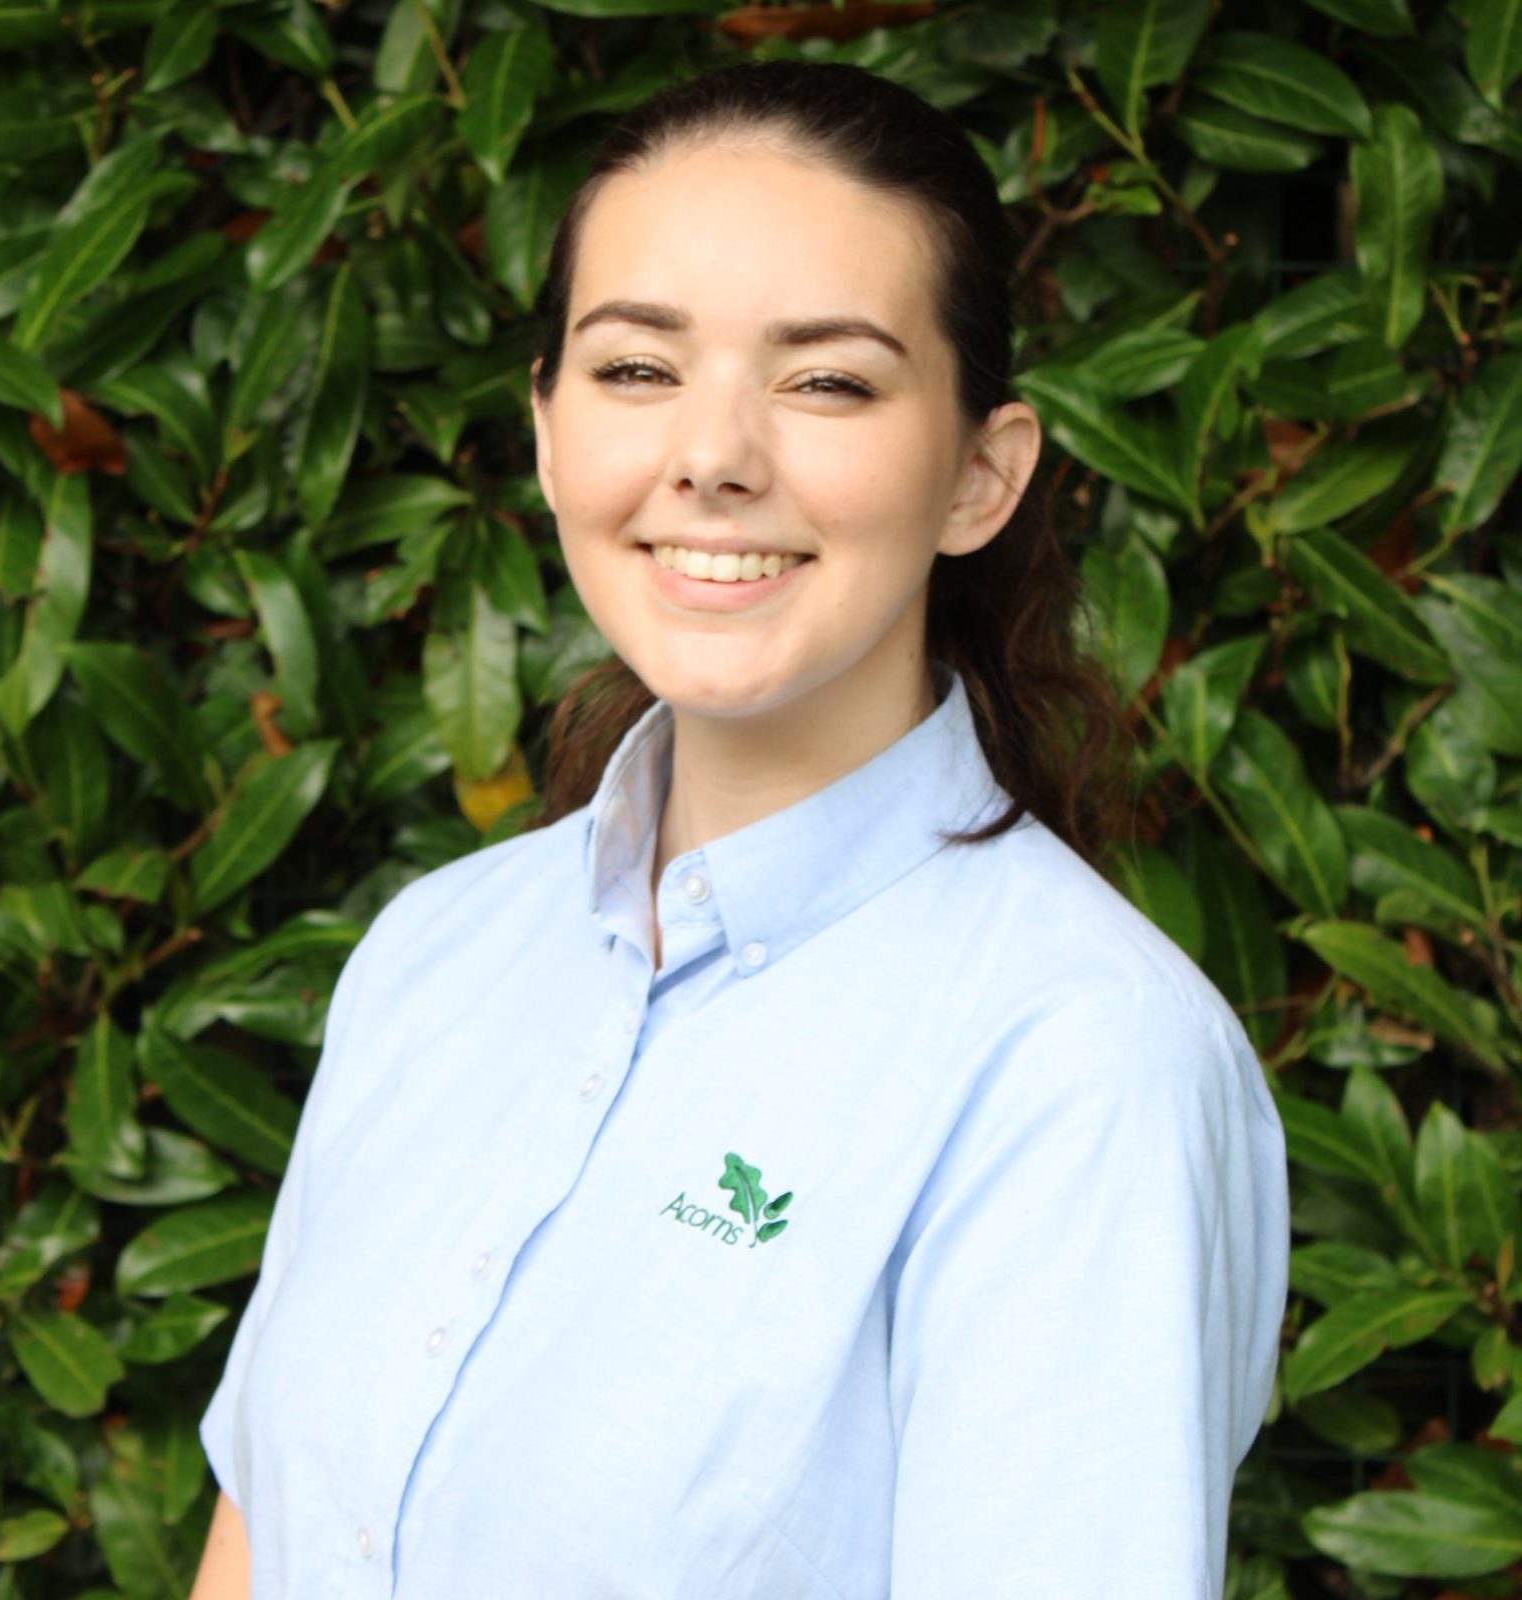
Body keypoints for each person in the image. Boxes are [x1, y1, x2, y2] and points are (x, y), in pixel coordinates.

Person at [191, 57, 1288, 1600]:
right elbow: (264, 1533)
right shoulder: (433, 953)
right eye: (637, 369)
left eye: (825, 379)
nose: (711, 455)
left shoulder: (1079, 1064)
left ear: (983, 472)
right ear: (551, 433)